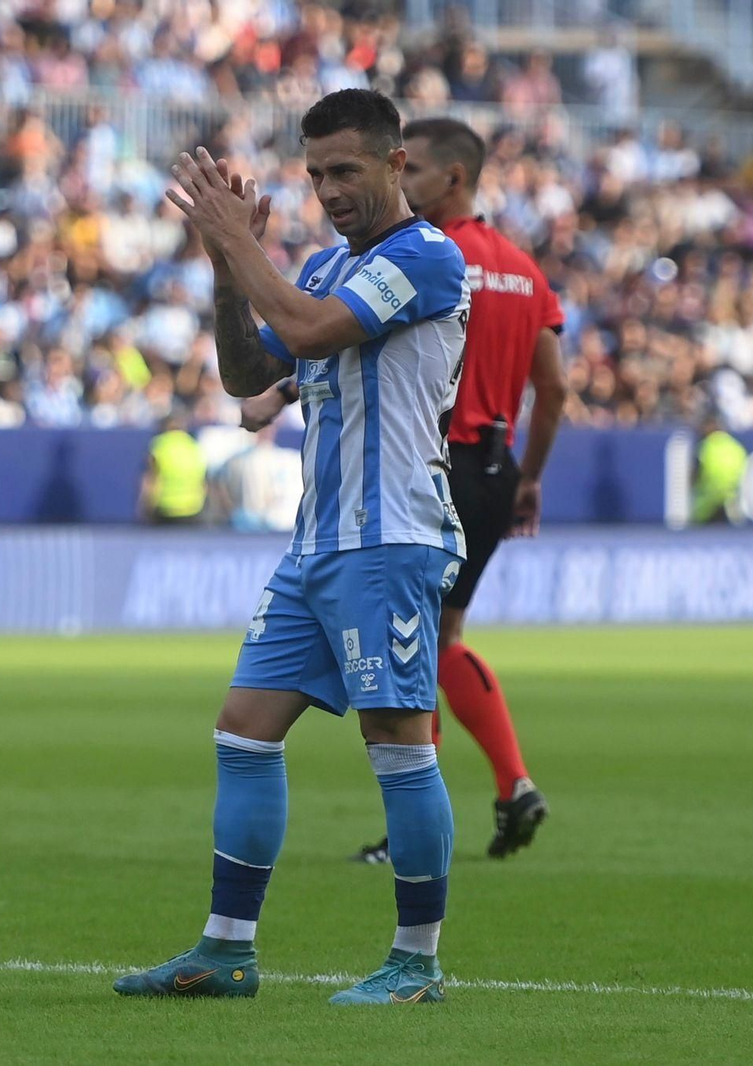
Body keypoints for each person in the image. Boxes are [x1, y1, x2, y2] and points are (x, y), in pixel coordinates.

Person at [114, 89, 469, 1005]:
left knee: (398, 744)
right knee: (243, 729)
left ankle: (417, 965)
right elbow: (248, 374)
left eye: (345, 170)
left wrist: (241, 244)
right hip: (318, 543)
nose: (329, 189)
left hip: (391, 538)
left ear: (396, 163)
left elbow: (310, 332)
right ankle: (226, 952)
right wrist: (225, 269)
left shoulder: (426, 257)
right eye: (315, 174)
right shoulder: (321, 268)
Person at [245, 117, 567, 862]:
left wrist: (283, 389)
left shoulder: (425, 256)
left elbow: (383, 361)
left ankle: (416, 829)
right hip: (497, 465)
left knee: (424, 648)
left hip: (423, 467)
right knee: (443, 638)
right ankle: (512, 780)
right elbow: (553, 387)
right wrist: (530, 477)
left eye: (413, 168)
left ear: (451, 176)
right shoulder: (523, 269)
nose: (404, 181)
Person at [139, 412, 208, 524]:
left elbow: (151, 480)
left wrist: (146, 507)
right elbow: (204, 482)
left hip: (165, 510)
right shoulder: (195, 446)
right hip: (193, 509)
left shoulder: (159, 445)